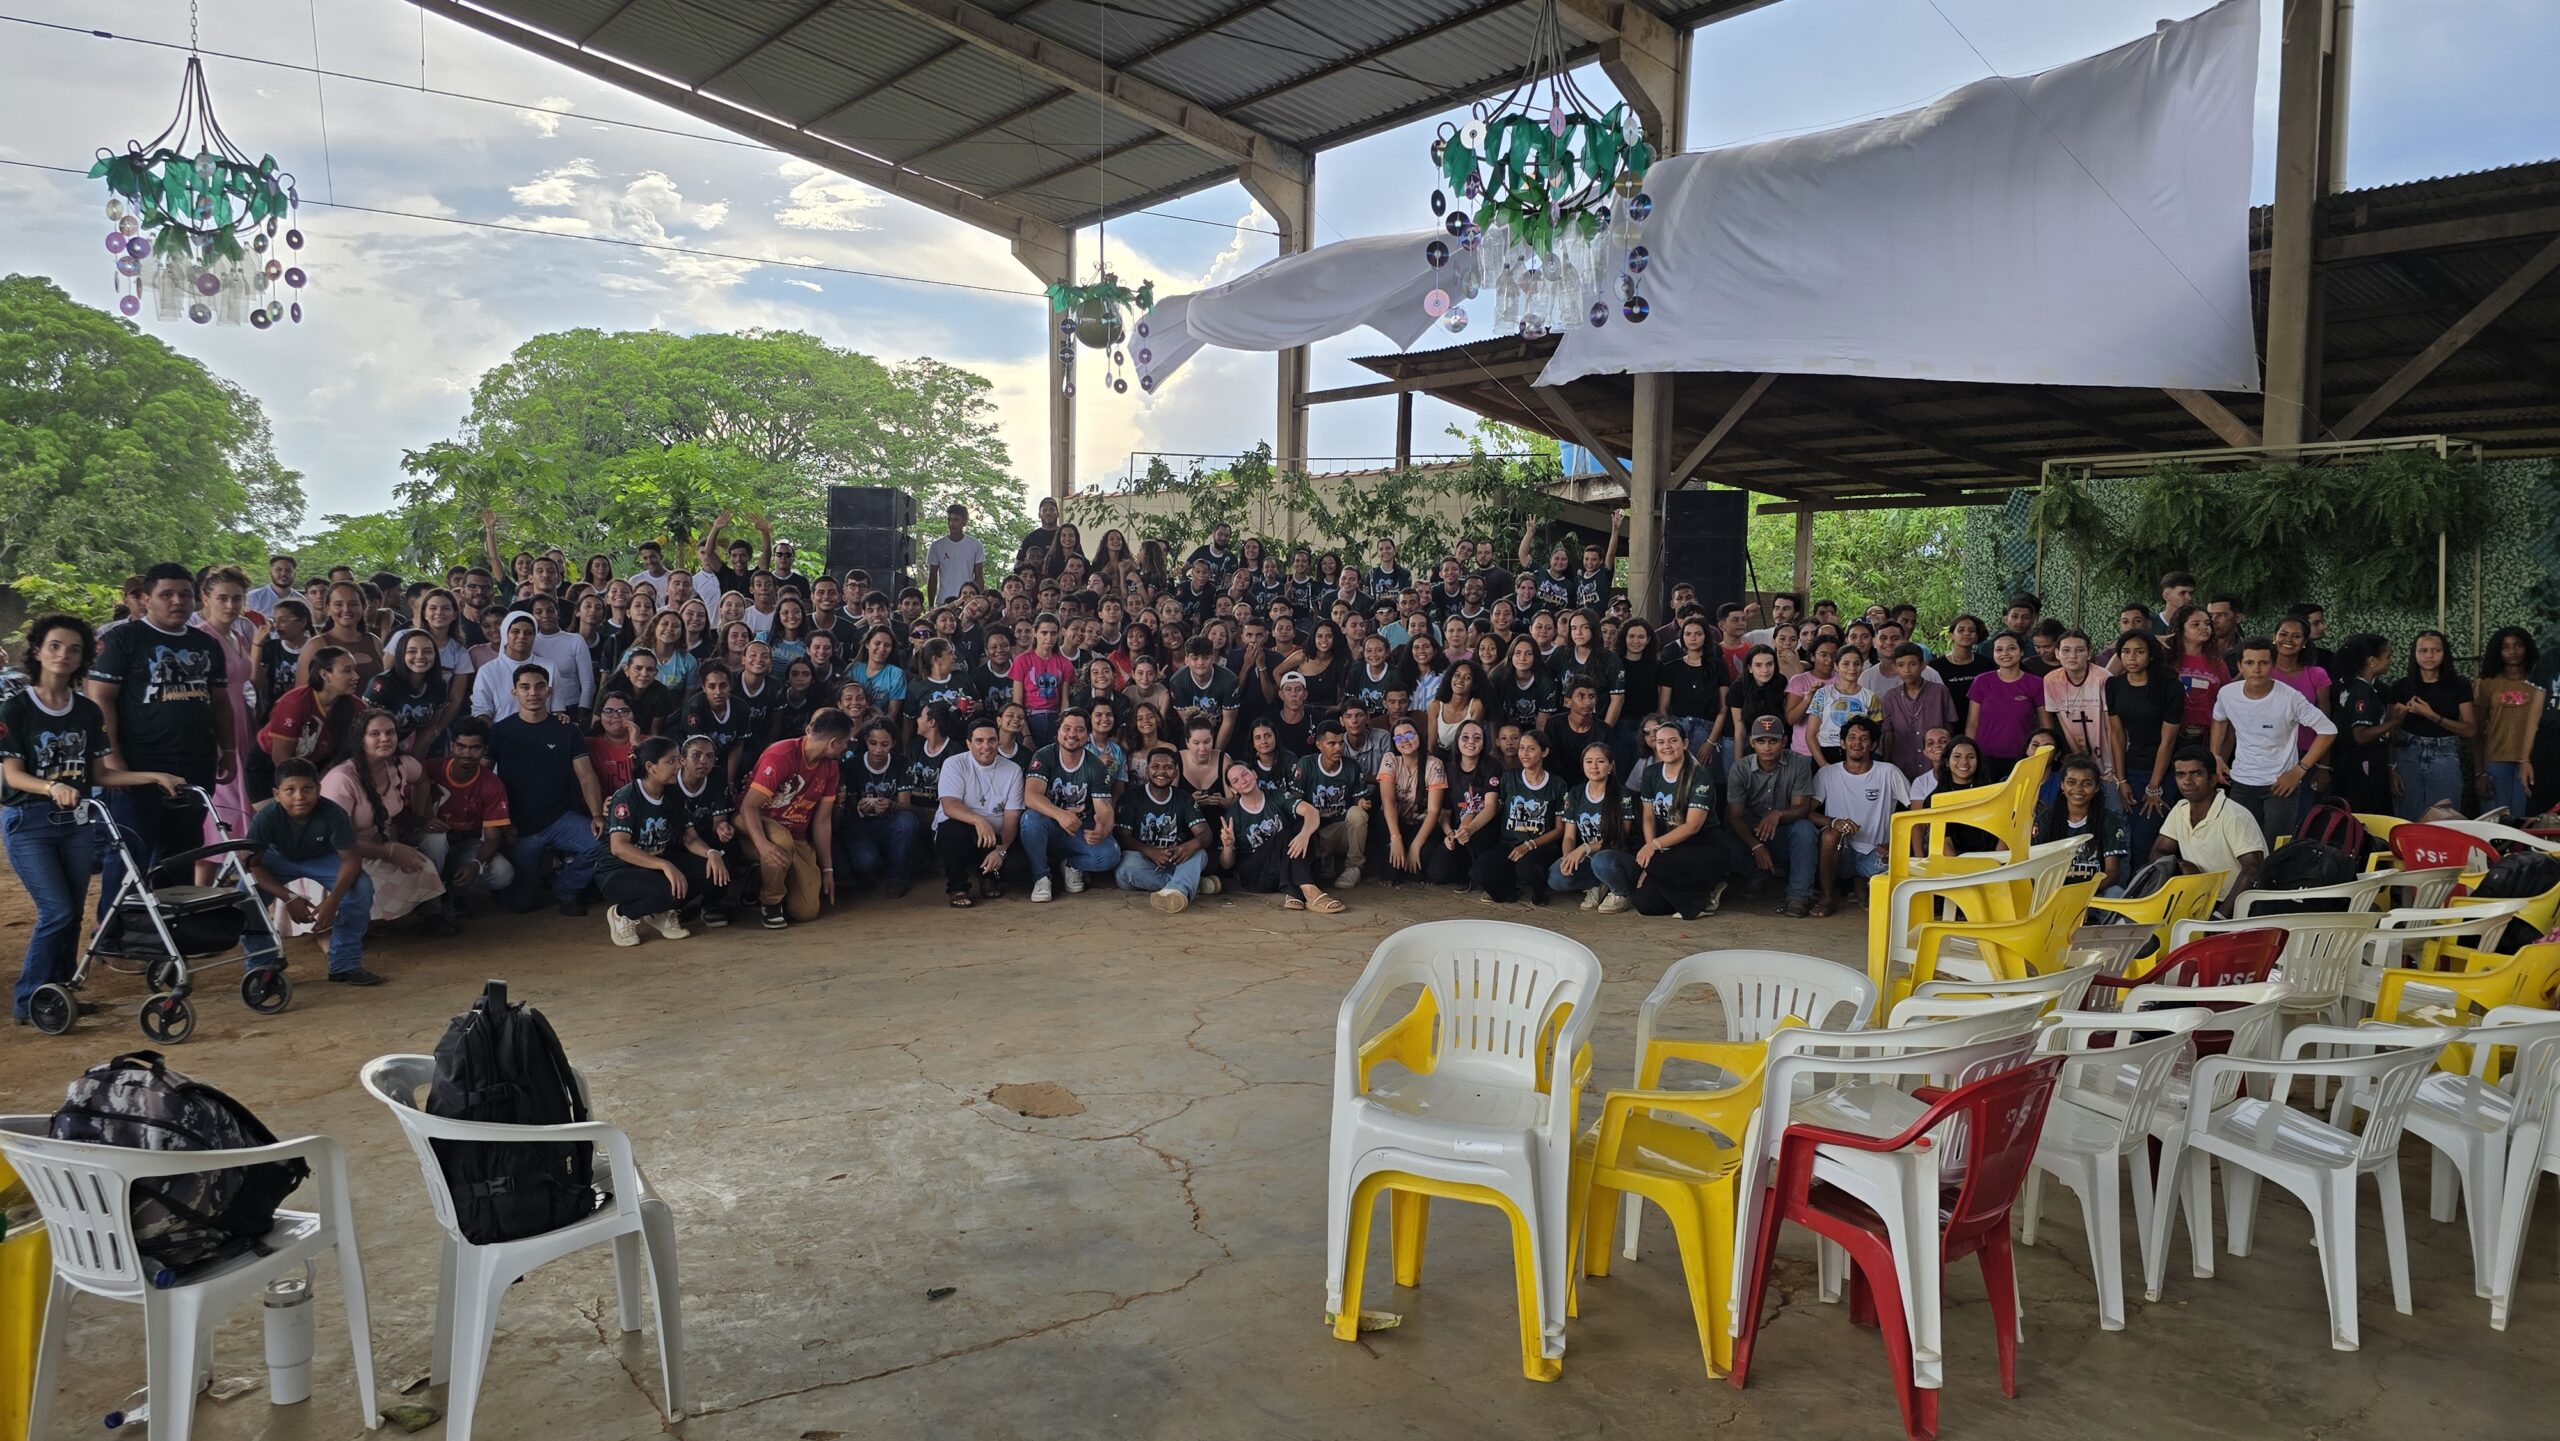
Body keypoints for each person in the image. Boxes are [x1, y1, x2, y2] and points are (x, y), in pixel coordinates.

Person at [3, 615, 186, 1023]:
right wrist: (52, 787)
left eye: (73, 649)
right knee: (57, 912)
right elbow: (12, 775)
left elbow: (101, 774)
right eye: (54, 646)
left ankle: (59, 993)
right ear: (37, 651)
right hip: (28, 820)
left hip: (76, 821)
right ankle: (28, 998)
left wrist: (151, 776)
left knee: (70, 912)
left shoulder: (85, 710)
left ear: (83, 657)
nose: (63, 655)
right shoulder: (15, 709)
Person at [87, 563, 234, 880]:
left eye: (184, 594)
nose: (177, 601)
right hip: (138, 763)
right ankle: (116, 927)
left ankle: (171, 924)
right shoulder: (123, 639)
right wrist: (112, 757)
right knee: (130, 849)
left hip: (195, 762)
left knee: (183, 849)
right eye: (166, 594)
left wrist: (230, 751)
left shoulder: (206, 644)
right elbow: (100, 699)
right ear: (146, 598)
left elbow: (221, 702)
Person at [241, 759, 379, 985]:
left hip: (321, 858)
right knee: (246, 895)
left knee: (360, 887)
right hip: (276, 860)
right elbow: (253, 865)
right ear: (276, 794)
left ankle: (345, 965)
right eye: (290, 790)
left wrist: (333, 902)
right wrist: (288, 897)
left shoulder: (333, 813)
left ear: (319, 789)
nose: (299, 796)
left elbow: (351, 860)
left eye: (307, 789)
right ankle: (261, 969)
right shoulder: (265, 818)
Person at [487, 664, 606, 916]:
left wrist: (597, 815)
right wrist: (501, 823)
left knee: (603, 843)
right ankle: (533, 877)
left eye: (540, 686)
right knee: (520, 904)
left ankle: (566, 888)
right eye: (525, 687)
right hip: (518, 827)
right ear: (514, 692)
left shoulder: (566, 729)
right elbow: (485, 780)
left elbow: (586, 776)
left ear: (549, 690)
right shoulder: (500, 731)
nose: (533, 692)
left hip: (559, 817)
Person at [322, 709, 454, 932]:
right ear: (360, 740)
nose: (385, 739)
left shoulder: (401, 765)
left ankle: (431, 913)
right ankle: (362, 922)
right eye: (375, 734)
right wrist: (390, 852)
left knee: (428, 853)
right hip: (344, 853)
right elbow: (337, 840)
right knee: (376, 881)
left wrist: (420, 819)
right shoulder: (341, 779)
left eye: (390, 733)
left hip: (384, 840)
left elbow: (422, 780)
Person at [598, 736, 728, 946]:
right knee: (669, 889)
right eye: (671, 761)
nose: (679, 765)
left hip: (655, 866)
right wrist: (665, 865)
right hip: (618, 870)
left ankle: (659, 911)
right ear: (651, 767)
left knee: (714, 870)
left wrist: (711, 854)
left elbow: (690, 837)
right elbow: (619, 847)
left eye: (678, 760)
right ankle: (623, 914)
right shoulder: (627, 796)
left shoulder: (673, 793)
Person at [2211, 638, 2336, 838]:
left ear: (2273, 664)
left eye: (2263, 663)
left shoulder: (2290, 698)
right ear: (2239, 665)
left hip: (2280, 784)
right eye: (2250, 663)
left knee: (2275, 848)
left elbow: (2328, 731)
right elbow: (2219, 718)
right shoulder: (2227, 694)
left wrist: (2298, 771)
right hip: (2242, 781)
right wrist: (2215, 756)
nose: (2256, 669)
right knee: (2240, 845)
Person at [738, 707, 849, 927]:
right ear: (833, 742)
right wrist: (762, 846)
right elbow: (748, 807)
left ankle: (761, 877)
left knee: (806, 911)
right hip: (754, 825)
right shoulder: (782, 754)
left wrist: (827, 868)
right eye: (846, 742)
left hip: (795, 834)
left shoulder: (831, 768)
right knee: (780, 840)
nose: (846, 747)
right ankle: (771, 903)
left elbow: (822, 821)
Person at [1627, 715, 1731, 919]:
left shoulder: (1700, 775)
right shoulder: (1651, 773)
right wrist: (1651, 849)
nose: (1667, 746)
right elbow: (1648, 817)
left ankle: (1698, 902)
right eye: (1661, 742)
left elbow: (1692, 826)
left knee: (1657, 863)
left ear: (1685, 743)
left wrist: (1654, 848)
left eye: (1673, 740)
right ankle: (1701, 893)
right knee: (1644, 903)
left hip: (1704, 844)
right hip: (1671, 846)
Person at [1809, 717, 1908, 917]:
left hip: (1877, 852)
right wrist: (1834, 822)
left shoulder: (1888, 772)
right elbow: (1807, 812)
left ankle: (1861, 882)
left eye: (1864, 738)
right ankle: (1828, 897)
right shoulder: (1828, 773)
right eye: (1852, 737)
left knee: (1896, 896)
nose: (1857, 743)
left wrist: (1896, 843)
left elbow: (1915, 810)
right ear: (1842, 743)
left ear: (1873, 745)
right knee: (1829, 835)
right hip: (1842, 852)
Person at [1021, 710, 1120, 903]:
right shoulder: (1044, 755)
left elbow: (1104, 807)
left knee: (1110, 855)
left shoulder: (1096, 766)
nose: (1072, 734)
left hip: (1079, 828)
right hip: (1048, 827)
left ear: (1087, 735)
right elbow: (1031, 796)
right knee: (1030, 819)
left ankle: (1072, 865)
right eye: (1066, 728)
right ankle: (1041, 877)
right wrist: (1060, 815)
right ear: (1058, 731)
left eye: (1079, 729)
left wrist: (1103, 829)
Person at [2151, 747, 2266, 912]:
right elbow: (2158, 852)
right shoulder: (2180, 809)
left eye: (2196, 774)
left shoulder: (2234, 815)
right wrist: (2182, 864)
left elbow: (2253, 869)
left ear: (2213, 779)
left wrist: (2219, 917)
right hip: (2200, 905)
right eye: (2180, 775)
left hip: (2238, 907)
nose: (2187, 781)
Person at [1728, 713, 1820, 917]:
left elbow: (1802, 808)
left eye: (1773, 741)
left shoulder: (1798, 763)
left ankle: (1798, 895)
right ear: (1752, 742)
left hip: (1782, 833)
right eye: (1761, 741)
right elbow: (1735, 816)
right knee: (1722, 839)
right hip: (1750, 835)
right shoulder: (1740, 768)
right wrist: (1756, 846)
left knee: (1805, 830)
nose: (1767, 747)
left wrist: (1777, 814)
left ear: (1784, 741)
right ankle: (1758, 874)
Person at [419, 715, 515, 909]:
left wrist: (476, 864)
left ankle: (456, 892)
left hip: (462, 847)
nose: (467, 754)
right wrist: (422, 821)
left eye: (475, 748)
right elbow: (398, 815)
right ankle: (431, 911)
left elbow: (492, 838)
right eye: (461, 746)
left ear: (485, 750)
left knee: (503, 873)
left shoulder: (491, 784)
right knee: (435, 839)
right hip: (422, 845)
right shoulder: (429, 769)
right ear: (452, 746)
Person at [2104, 629, 2182, 866]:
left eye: (2139, 652)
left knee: (2147, 837)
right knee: (2126, 835)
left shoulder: (2169, 686)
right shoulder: (2114, 685)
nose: (2132, 657)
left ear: (2150, 656)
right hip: (2131, 767)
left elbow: (2167, 740)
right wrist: (2121, 780)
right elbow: (2117, 734)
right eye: (2126, 652)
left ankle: (2148, 889)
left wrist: (2154, 787)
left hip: (2164, 770)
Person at [1218, 760, 1338, 912]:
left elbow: (1311, 812)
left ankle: (1294, 891)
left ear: (1254, 774)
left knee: (1304, 825)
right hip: (1255, 876)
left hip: (1282, 870)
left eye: (1245, 774)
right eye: (1235, 781)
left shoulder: (1277, 796)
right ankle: (1307, 888)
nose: (1242, 781)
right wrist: (1228, 846)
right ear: (1232, 789)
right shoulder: (1232, 815)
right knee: (1286, 833)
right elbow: (1226, 865)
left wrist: (1304, 835)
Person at [937, 715, 1026, 906]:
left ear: (998, 742)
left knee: (1018, 865)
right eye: (979, 741)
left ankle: (988, 877)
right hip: (963, 831)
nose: (986, 746)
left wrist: (1001, 851)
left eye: (991, 740)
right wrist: (979, 821)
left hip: (996, 836)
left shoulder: (1013, 770)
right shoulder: (954, 763)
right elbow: (950, 805)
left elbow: (1012, 816)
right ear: (969, 743)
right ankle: (957, 887)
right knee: (951, 830)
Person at [1471, 726, 1565, 904]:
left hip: (1540, 846)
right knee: (1480, 872)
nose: (1525, 753)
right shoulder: (1509, 778)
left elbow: (1559, 829)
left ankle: (1539, 892)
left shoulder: (1557, 784)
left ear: (1544, 752)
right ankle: (1509, 891)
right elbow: (1495, 809)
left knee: (1527, 869)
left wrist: (1529, 845)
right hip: (1508, 844)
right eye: (1522, 748)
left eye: (1531, 748)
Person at [1115, 746, 1212, 913]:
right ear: (1147, 771)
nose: (1161, 771)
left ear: (1175, 773)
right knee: (1125, 868)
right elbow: (1122, 837)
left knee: (1199, 853)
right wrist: (1149, 851)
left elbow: (1206, 834)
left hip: (1175, 861)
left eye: (1168, 767)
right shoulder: (1132, 797)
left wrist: (1190, 846)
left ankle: (1178, 889)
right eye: (1155, 766)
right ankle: (1188, 886)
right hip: (1144, 862)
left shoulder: (1184, 798)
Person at [2390, 629, 2475, 819]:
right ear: (2414, 653)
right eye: (2423, 650)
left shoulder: (2459, 684)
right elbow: (2391, 731)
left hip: (2444, 753)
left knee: (2445, 817)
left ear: (2445, 653)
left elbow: (2470, 729)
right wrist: (2391, 767)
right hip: (2407, 753)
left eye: (2436, 650)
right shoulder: (2401, 686)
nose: (2429, 655)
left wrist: (2432, 715)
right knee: (2407, 817)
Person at [1548, 740, 1636, 912]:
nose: (1594, 766)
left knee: (1601, 860)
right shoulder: (1576, 793)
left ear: (1611, 766)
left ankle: (1621, 893)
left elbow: (1620, 838)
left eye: (1601, 761)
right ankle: (1597, 883)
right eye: (1589, 761)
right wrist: (1569, 858)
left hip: (1619, 857)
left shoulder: (1623, 793)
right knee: (1555, 877)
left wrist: (1584, 848)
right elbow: (1569, 836)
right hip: (1590, 856)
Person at [838, 720, 922, 897]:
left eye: (885, 744)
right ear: (866, 741)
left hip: (890, 822)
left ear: (893, 743)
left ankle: (898, 877)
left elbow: (906, 806)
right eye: (873, 743)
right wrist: (861, 809)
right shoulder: (852, 765)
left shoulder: (901, 762)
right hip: (861, 826)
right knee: (866, 862)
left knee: (907, 821)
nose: (878, 750)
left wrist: (891, 805)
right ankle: (872, 870)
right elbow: (849, 812)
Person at [2326, 633, 2400, 818]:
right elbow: (2361, 734)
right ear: (2372, 661)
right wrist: (2394, 722)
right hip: (2361, 766)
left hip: (2348, 763)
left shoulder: (2350, 685)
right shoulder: (2361, 691)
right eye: (2388, 656)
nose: (2391, 660)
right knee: (2366, 816)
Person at [1293, 721, 1373, 889]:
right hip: (1316, 831)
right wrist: (1316, 815)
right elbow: (1294, 802)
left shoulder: (1351, 766)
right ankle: (1325, 860)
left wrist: (1362, 803)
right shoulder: (1306, 764)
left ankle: (1354, 866)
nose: (1338, 748)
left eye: (1341, 743)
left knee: (1358, 813)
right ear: (1319, 744)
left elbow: (1358, 799)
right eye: (1332, 744)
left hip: (1343, 829)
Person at [2033, 753, 2129, 893]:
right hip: (2054, 894)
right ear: (2062, 785)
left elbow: (2112, 872)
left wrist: (2082, 895)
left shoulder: (2108, 819)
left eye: (2087, 783)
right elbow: (2036, 868)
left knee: (2116, 892)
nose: (2078, 788)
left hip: (2095, 892)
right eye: (2071, 782)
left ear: (2096, 788)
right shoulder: (2046, 819)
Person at [2478, 626, 2543, 817]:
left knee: (2524, 822)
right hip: (2495, 760)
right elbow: (2476, 731)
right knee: (2496, 822)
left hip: (2531, 761)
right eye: (2506, 647)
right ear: (2498, 651)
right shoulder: (2486, 683)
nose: (2512, 652)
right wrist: (2479, 772)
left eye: (2518, 646)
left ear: (2527, 648)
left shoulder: (2539, 681)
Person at [1964, 632, 2047, 782]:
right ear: (1993, 653)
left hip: (2023, 757)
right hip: (1985, 757)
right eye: (1999, 650)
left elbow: (2045, 725)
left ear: (2021, 652)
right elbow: (1972, 723)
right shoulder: (1981, 681)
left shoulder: (2036, 683)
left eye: (2011, 648)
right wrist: (1970, 753)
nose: (2005, 653)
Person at [1376, 719, 1445, 888]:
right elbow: (1388, 801)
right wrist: (1396, 838)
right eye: (1398, 737)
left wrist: (1415, 846)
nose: (1404, 740)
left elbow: (1434, 811)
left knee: (1419, 869)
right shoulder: (1390, 759)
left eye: (1409, 734)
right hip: (1394, 821)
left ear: (1419, 736)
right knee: (1392, 872)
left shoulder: (1434, 764)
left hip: (1421, 823)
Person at [1878, 643, 1957, 781]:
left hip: (1934, 765)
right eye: (1901, 665)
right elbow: (1888, 734)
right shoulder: (1890, 697)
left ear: (1923, 665)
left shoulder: (1940, 692)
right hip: (1902, 764)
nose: (1907, 670)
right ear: (1895, 668)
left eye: (1912, 664)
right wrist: (1887, 763)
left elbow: (1949, 727)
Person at [926, 504, 986, 606]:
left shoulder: (976, 545)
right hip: (943, 601)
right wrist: (931, 604)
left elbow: (979, 575)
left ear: (964, 521)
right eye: (949, 519)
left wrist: (978, 600)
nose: (952, 523)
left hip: (967, 601)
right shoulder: (937, 546)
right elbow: (932, 576)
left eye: (956, 520)